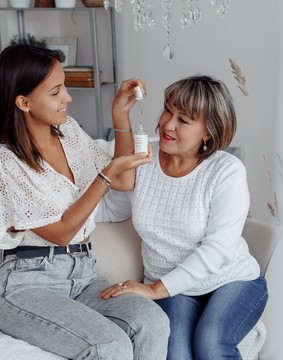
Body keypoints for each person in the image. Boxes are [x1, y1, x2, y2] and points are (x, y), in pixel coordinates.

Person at [0, 44, 169, 360]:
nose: (68, 98)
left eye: (64, 86)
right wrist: (103, 177)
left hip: (83, 273)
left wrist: (120, 114)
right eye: (56, 92)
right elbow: (62, 232)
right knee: (108, 346)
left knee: (152, 321)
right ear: (23, 102)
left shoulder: (69, 133)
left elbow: (122, 179)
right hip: (27, 283)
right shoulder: (6, 162)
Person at [98, 75, 269, 360]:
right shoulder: (144, 156)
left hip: (230, 280)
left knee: (211, 344)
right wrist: (57, 217)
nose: (167, 124)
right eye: (168, 110)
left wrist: (154, 289)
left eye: (184, 120)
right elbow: (114, 209)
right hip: (173, 287)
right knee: (176, 355)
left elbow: (218, 250)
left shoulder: (226, 170)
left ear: (208, 132)